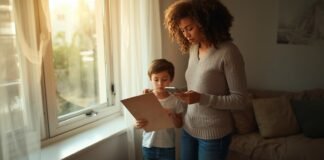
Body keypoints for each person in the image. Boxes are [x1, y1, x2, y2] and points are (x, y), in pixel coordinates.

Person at [164, 0, 248, 160]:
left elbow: (240, 100)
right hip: (189, 129)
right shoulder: (194, 48)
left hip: (214, 135)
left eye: (190, 28)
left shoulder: (229, 52)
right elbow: (197, 87)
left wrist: (201, 98)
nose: (186, 34)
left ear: (206, 23)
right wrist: (176, 93)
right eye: (182, 30)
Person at [135, 58, 186, 160]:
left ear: (171, 79)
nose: (160, 83)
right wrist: (137, 123)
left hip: (167, 147)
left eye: (164, 79)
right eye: (156, 79)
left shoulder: (175, 100)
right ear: (150, 79)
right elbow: (137, 121)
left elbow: (179, 124)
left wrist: (172, 115)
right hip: (148, 146)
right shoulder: (145, 97)